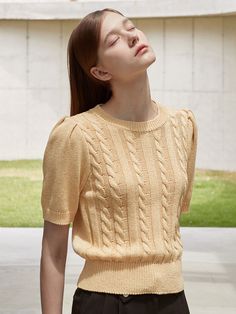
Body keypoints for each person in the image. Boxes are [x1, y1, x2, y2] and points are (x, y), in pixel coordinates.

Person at [40, 7, 198, 314]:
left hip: (174, 299)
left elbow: (166, 222)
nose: (132, 36)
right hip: (105, 303)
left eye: (131, 27)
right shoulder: (75, 135)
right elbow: (53, 251)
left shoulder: (183, 125)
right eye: (114, 40)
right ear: (99, 72)